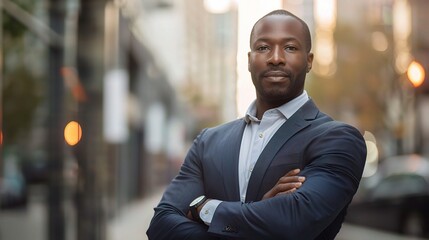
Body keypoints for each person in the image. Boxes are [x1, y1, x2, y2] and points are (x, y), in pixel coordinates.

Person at [147, 9, 367, 240]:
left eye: (290, 48)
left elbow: (292, 223)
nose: (275, 57)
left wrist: (204, 208)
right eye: (263, 48)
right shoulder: (208, 141)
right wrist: (258, 213)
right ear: (249, 60)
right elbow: (161, 226)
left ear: (309, 61)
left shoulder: (338, 139)